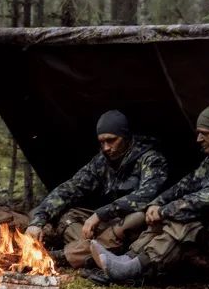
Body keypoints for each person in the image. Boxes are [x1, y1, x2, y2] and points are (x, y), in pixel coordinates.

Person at [90, 102, 209, 282]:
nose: (199, 139)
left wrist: (164, 211)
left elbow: (208, 197)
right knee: (172, 214)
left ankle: (131, 269)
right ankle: (127, 260)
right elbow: (187, 184)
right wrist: (157, 203)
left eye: (205, 133)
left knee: (186, 219)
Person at [25, 110, 169, 269]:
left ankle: (65, 256)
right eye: (102, 142)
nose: (106, 147)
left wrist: (100, 214)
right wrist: (38, 221)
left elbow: (145, 196)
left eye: (111, 140)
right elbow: (70, 188)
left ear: (126, 136)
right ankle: (91, 251)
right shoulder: (102, 161)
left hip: (135, 229)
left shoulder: (151, 159)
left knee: (137, 217)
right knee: (70, 214)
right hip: (110, 224)